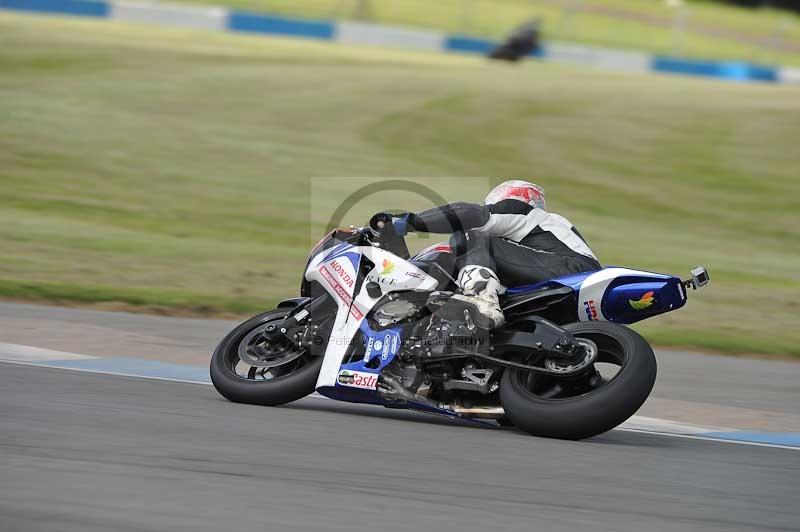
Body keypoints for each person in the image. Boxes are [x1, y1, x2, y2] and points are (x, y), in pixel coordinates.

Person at [392, 180, 601, 328]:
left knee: (468, 237)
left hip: (572, 271)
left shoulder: (521, 211)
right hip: (565, 287)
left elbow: (468, 214)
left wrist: (410, 222)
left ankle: (482, 299)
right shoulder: (534, 236)